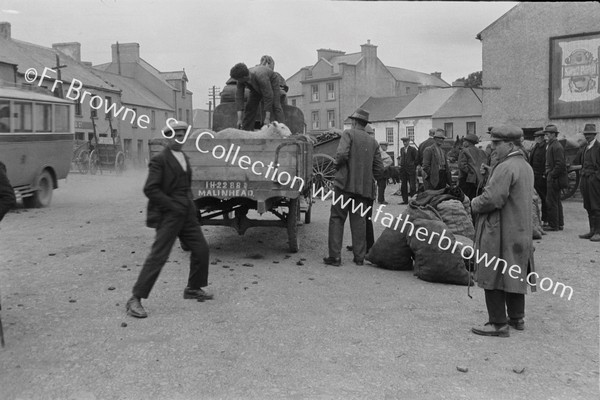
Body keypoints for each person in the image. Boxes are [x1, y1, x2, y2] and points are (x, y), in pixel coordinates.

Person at [126, 121, 212, 319]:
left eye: (182, 135)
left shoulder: (184, 157)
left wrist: (191, 205)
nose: (179, 138)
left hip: (187, 213)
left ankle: (193, 288)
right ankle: (135, 299)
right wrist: (173, 205)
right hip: (169, 214)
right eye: (175, 135)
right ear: (167, 138)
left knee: (201, 249)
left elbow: (185, 184)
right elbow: (150, 189)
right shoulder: (160, 160)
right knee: (159, 256)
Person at [471, 125, 535, 337]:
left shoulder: (505, 167)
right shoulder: (524, 165)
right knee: (514, 271)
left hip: (500, 231)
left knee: (493, 272)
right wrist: (491, 174)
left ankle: (498, 323)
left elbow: (493, 198)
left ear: (510, 144)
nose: (492, 147)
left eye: (497, 143)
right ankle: (517, 317)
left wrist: (474, 202)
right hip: (519, 230)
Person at [324, 108, 384, 267]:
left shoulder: (348, 134)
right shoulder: (373, 142)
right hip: (363, 189)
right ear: (365, 124)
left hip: (344, 185)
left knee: (337, 218)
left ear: (355, 122)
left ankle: (335, 257)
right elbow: (379, 170)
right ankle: (359, 257)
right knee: (359, 222)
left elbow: (342, 154)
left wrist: (337, 164)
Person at [230, 62, 285, 131]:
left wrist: (267, 118)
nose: (238, 81)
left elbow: (268, 96)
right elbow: (239, 97)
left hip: (271, 82)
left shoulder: (260, 76)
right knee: (250, 106)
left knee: (276, 105)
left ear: (244, 77)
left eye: (238, 79)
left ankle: (282, 131)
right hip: (254, 87)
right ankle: (247, 131)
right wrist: (239, 119)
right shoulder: (241, 80)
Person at [576, 124, 600, 241]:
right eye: (585, 134)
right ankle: (592, 230)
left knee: (596, 205)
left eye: (589, 134)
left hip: (594, 180)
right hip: (585, 179)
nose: (587, 136)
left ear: (594, 135)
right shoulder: (585, 147)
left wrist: (596, 178)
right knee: (588, 205)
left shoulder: (598, 147)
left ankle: (598, 232)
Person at [543, 124, 566, 231]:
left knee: (551, 201)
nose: (545, 136)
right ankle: (559, 224)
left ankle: (553, 225)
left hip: (554, 179)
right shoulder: (553, 145)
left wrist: (551, 174)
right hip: (553, 177)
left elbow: (560, 164)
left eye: (547, 134)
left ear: (553, 134)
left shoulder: (556, 146)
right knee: (556, 200)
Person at [457, 133, 488, 200]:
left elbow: (461, 165)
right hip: (479, 181)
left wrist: (471, 172)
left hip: (467, 180)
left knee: (465, 200)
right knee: (476, 199)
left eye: (464, 141)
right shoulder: (482, 152)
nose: (463, 143)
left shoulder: (464, 151)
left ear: (468, 143)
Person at [528, 130, 548, 226]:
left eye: (537, 137)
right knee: (536, 198)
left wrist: (544, 174)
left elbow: (545, 162)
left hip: (541, 176)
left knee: (544, 198)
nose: (536, 138)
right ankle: (539, 220)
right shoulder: (536, 146)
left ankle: (546, 219)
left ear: (541, 137)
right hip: (535, 175)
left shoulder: (544, 148)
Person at [398, 137, 418, 204]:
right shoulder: (402, 149)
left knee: (412, 186)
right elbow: (401, 158)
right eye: (403, 142)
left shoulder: (413, 149)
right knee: (403, 186)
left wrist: (413, 166)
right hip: (403, 171)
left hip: (411, 170)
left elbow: (416, 159)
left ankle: (413, 200)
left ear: (409, 142)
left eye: (406, 141)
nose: (404, 143)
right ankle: (405, 200)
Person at [376, 140, 393, 204]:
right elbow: (389, 160)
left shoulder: (378, 152)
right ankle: (381, 200)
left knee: (381, 186)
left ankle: (380, 199)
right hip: (382, 172)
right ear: (382, 146)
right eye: (386, 146)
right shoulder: (381, 152)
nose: (387, 148)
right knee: (382, 186)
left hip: (379, 172)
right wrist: (384, 167)